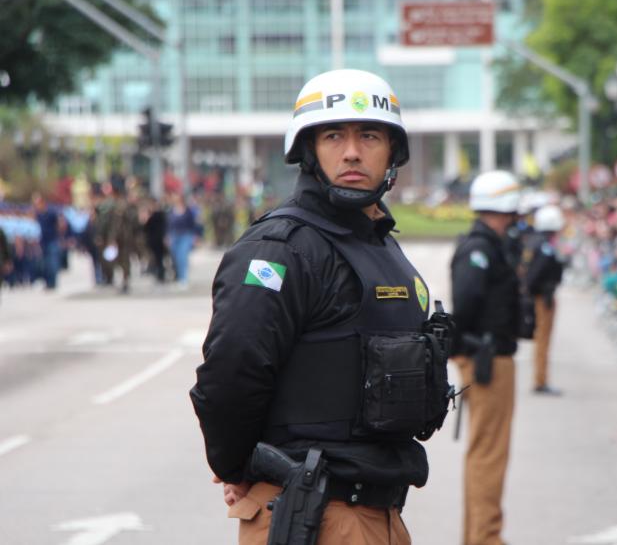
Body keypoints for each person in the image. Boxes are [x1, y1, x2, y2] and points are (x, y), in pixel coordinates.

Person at [191, 69, 452, 545]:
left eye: (369, 135)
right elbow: (231, 372)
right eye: (334, 135)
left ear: (393, 152)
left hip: (379, 516)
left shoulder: (381, 245)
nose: (352, 151)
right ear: (309, 150)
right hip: (311, 515)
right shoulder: (281, 247)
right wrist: (237, 467)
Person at [450, 169, 522, 545]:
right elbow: (465, 304)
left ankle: (477, 536)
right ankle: (486, 538)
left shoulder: (485, 244)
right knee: (489, 455)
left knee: (484, 453)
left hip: (486, 356)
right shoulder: (481, 248)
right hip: (488, 360)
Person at [524, 204, 566, 394]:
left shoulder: (534, 242)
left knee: (542, 340)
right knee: (543, 341)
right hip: (543, 298)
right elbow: (535, 274)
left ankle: (541, 378)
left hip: (540, 295)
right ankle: (540, 380)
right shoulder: (546, 246)